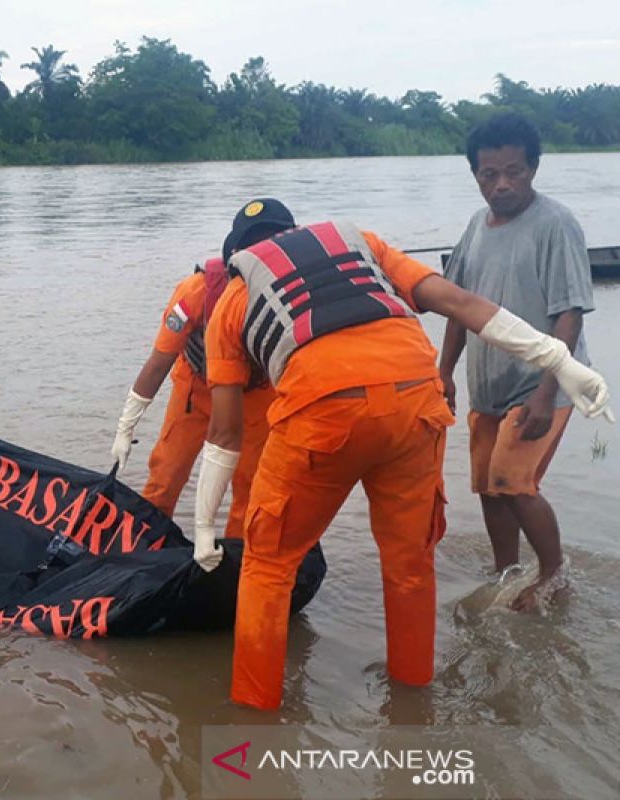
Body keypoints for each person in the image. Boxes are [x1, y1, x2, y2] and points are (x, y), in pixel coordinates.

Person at [192, 213, 611, 710]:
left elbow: (224, 432)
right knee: (410, 565)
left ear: (236, 257)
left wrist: (202, 529)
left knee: (268, 567)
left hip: (321, 411)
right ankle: (412, 699)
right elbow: (460, 302)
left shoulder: (233, 299)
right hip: (417, 397)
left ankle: (253, 716)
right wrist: (559, 360)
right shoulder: (361, 244)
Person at [439, 113, 596, 612]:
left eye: (515, 171)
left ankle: (554, 576)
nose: (503, 184)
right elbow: (457, 306)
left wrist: (546, 394)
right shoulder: (474, 227)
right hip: (488, 385)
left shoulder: (555, 224)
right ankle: (505, 571)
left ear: (533, 168)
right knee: (488, 488)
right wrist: (443, 373)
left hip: (541, 384)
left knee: (514, 483)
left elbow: (568, 315)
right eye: (490, 174)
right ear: (476, 175)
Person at [109, 200, 292, 548]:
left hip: (255, 397)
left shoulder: (295, 294)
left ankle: (239, 567)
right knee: (166, 476)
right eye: (253, 245)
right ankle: (142, 553)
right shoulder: (196, 292)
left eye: (273, 242)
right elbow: (158, 363)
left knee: (252, 487)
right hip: (197, 391)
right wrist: (125, 427)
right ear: (235, 252)